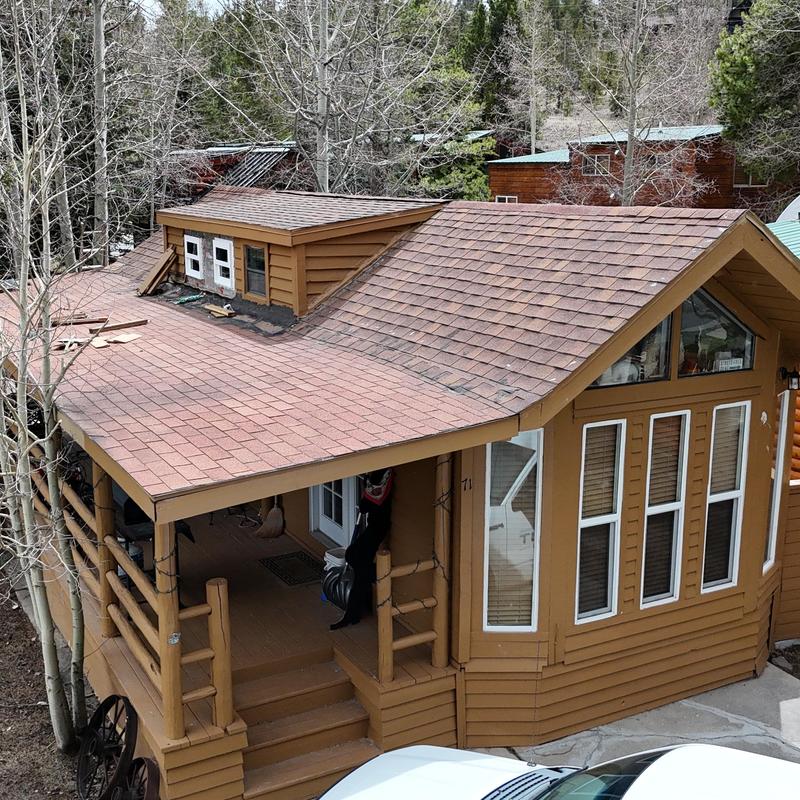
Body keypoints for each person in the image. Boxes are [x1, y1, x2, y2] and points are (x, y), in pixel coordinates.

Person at [330, 468, 394, 630]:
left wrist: (366, 493)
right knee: (360, 572)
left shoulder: (382, 481)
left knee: (355, 560)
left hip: (378, 528)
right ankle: (354, 613)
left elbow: (366, 505)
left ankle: (376, 574)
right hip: (375, 526)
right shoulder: (378, 480)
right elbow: (365, 506)